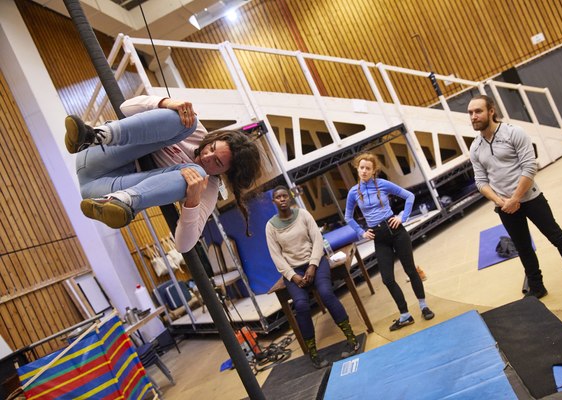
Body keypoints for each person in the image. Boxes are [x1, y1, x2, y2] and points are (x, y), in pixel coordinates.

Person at [64, 95, 261, 253]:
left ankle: (123, 201)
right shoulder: (195, 132)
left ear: (227, 173)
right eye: (211, 147)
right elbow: (126, 107)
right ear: (214, 139)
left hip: (101, 192)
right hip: (96, 156)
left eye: (217, 162)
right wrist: (167, 103)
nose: (207, 155)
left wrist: (192, 201)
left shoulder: (207, 189)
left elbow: (184, 246)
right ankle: (95, 135)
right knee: (187, 120)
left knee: (197, 175)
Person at [468, 94, 562, 302]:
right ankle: (537, 287)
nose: (473, 116)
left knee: (558, 238)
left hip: (531, 199)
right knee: (523, 248)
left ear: (491, 111)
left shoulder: (513, 133)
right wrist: (501, 202)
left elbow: (530, 167)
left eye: (478, 111)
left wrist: (515, 198)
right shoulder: (475, 147)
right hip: (505, 207)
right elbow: (481, 181)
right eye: (471, 113)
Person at [265, 186, 360, 369]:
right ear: (274, 202)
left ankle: (351, 338)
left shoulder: (303, 215)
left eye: (285, 196)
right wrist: (293, 276)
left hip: (315, 262)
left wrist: (312, 265)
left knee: (326, 293)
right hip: (293, 271)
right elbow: (276, 256)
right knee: (300, 305)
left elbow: (317, 240)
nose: (282, 199)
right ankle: (314, 354)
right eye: (278, 197)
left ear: (290, 198)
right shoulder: (270, 226)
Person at [345, 153, 435, 332]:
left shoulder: (383, 185)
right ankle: (405, 315)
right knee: (387, 279)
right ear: (357, 168)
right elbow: (348, 217)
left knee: (410, 269)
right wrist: (361, 233)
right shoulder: (353, 193)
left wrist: (403, 217)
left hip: (396, 231)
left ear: (373, 171)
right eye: (361, 167)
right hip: (379, 238)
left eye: (367, 168)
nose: (363, 171)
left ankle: (423, 305)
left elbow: (409, 196)